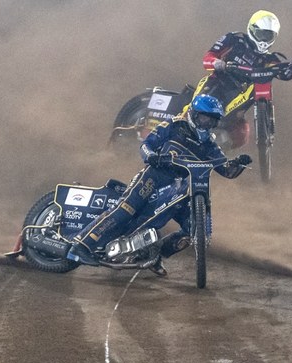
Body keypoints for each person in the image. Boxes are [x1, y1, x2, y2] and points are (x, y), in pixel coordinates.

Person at [66, 94, 252, 276]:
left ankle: (154, 255)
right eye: (204, 118)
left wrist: (239, 164)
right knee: (126, 209)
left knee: (190, 231)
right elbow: (146, 145)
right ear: (194, 114)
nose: (207, 124)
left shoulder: (209, 144)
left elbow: (226, 171)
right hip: (153, 177)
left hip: (181, 188)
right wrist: (152, 156)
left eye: (212, 121)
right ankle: (80, 246)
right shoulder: (174, 125)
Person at [183, 9, 292, 149]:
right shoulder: (234, 39)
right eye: (261, 34)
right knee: (196, 107)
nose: (263, 40)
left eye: (268, 36)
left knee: (241, 135)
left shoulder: (270, 58)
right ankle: (177, 126)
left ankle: (216, 152)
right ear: (252, 29)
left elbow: (284, 74)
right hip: (219, 81)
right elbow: (208, 57)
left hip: (243, 92)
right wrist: (217, 63)